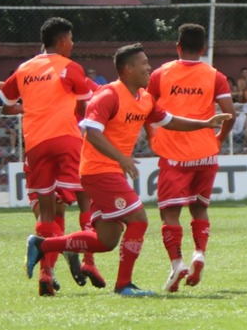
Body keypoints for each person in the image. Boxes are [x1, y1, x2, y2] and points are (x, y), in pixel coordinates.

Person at [25, 43, 231, 297]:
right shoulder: (108, 95)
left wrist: (205, 123)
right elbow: (91, 132)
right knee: (139, 220)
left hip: (112, 171)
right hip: (98, 171)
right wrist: (122, 158)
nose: (149, 67)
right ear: (127, 69)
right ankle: (124, 285)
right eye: (144, 63)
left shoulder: (144, 99)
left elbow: (170, 121)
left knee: (106, 240)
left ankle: (43, 245)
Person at [0, 69, 107, 290]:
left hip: (39, 150)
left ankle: (49, 270)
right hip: (71, 148)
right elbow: (103, 92)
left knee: (47, 214)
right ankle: (85, 261)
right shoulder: (71, 78)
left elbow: (4, 88)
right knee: (79, 206)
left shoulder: (36, 79)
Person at [0, 17, 93, 296]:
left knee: (46, 210)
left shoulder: (24, 68)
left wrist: (31, 109)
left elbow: (6, 104)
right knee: (78, 200)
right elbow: (87, 100)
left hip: (36, 144)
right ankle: (84, 258)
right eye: (72, 39)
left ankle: (46, 274)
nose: (73, 45)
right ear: (63, 40)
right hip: (66, 140)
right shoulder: (69, 68)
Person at [146, 24, 236, 292]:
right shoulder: (215, 75)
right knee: (200, 208)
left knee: (169, 212)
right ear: (204, 49)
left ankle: (177, 263)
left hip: (174, 154)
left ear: (177, 46)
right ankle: (199, 253)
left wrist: (151, 135)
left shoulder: (160, 74)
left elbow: (146, 108)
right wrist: (218, 137)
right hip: (206, 155)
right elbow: (230, 112)